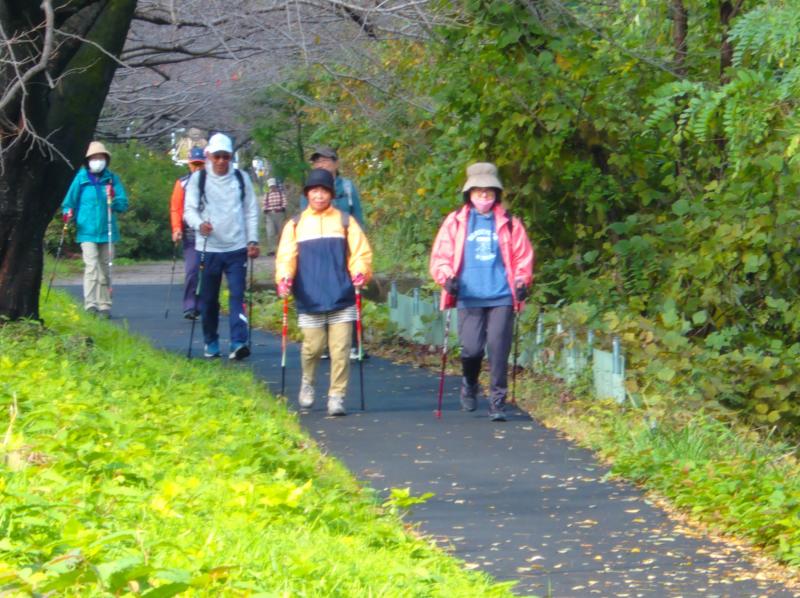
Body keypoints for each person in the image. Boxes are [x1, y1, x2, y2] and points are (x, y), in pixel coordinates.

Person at [429, 162, 534, 422]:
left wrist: (522, 282)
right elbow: (441, 256)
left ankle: (497, 401)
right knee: (472, 349)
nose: (484, 197)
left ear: (496, 194)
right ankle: (469, 382)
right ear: (469, 194)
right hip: (468, 294)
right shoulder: (455, 222)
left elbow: (523, 257)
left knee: (498, 348)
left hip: (501, 295)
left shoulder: (510, 223)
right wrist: (447, 278)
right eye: (478, 192)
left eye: (489, 192)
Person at [276, 168, 372, 416]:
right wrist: (284, 278)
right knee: (313, 348)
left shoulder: (345, 221)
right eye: (314, 191)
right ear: (307, 194)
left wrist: (360, 272)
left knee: (340, 350)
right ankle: (308, 383)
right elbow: (286, 257)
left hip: (341, 294)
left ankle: (336, 396)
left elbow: (360, 252)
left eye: (324, 191)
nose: (319, 195)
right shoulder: (295, 225)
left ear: (331, 194)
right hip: (309, 296)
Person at [183, 132, 260, 360]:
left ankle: (238, 342)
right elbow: (189, 210)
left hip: (236, 247)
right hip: (208, 248)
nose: (221, 161)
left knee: (237, 295)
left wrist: (252, 240)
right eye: (217, 156)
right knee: (208, 299)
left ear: (231, 157)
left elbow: (251, 211)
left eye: (225, 157)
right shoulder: (199, 179)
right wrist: (199, 225)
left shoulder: (241, 178)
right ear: (208, 156)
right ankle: (211, 341)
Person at [300, 146, 367, 359]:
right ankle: (328, 345)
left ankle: (354, 344)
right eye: (317, 161)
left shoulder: (346, 187)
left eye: (325, 160)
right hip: (319, 250)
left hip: (345, 248)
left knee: (349, 294)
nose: (321, 164)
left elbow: (358, 216)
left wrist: (359, 248)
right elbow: (304, 218)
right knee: (322, 292)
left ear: (336, 163)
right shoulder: (311, 188)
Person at [61, 141, 129, 318]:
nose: (97, 160)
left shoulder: (112, 179)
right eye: (94, 158)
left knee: (105, 268)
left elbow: (123, 204)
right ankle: (90, 304)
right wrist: (68, 214)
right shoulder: (80, 179)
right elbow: (69, 202)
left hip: (107, 232)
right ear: (87, 160)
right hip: (87, 231)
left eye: (100, 157)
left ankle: (104, 305)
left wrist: (113, 199)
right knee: (91, 267)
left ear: (106, 160)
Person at [169, 147, 206, 319]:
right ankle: (190, 305)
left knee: (208, 271)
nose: (197, 167)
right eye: (194, 164)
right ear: (189, 165)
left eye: (200, 164)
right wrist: (176, 229)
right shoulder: (182, 183)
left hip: (209, 234)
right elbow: (176, 208)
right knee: (192, 270)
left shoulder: (213, 182)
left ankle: (204, 304)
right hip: (190, 233)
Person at [263, 177, 287, 256]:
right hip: (269, 215)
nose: (272, 187)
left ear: (275, 186)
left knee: (280, 232)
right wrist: (265, 210)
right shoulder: (267, 195)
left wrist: (283, 207)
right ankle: (271, 250)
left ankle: (281, 248)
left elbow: (284, 203)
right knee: (270, 232)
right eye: (271, 186)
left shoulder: (280, 194)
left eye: (273, 186)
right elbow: (264, 205)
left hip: (279, 214)